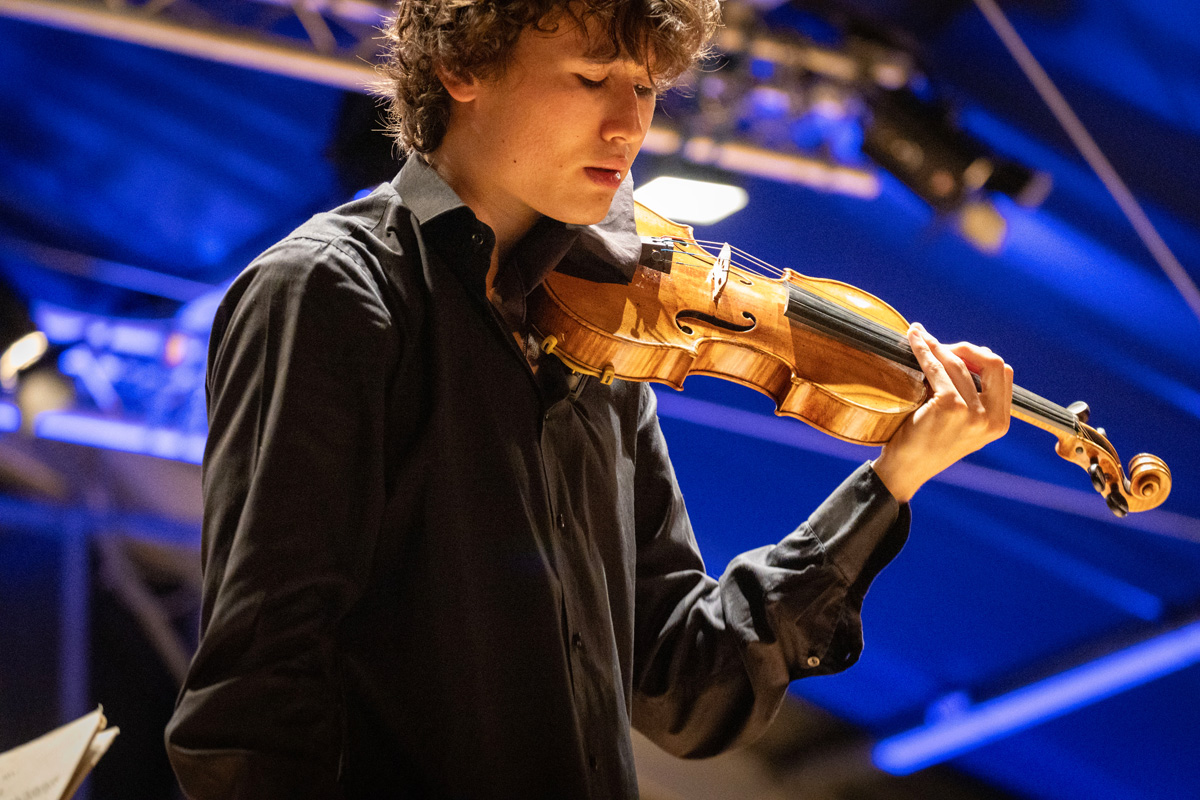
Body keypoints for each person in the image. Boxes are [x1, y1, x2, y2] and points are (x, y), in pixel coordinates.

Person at [164, 0, 1013, 797]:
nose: (629, 125)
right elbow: (256, 699)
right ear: (463, 65)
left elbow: (684, 682)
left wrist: (893, 478)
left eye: (644, 87)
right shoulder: (331, 292)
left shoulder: (603, 334)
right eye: (592, 76)